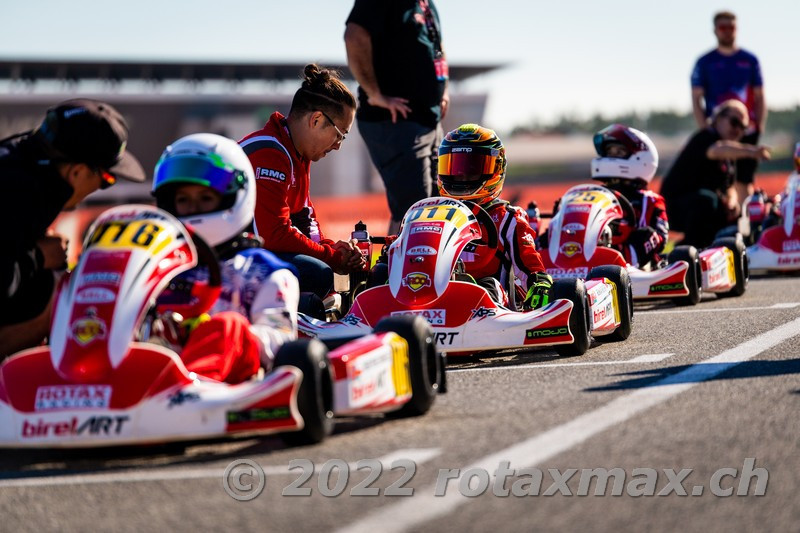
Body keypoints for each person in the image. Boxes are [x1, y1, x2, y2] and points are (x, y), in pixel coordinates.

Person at [0, 98, 146, 359]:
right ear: (77, 172)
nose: (102, 187)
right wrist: (39, 257)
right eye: (107, 179)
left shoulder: (19, 162)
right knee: (63, 293)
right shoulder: (21, 193)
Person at [152, 133, 300, 384]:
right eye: (183, 200)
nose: (193, 209)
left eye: (205, 199)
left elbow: (280, 339)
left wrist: (202, 330)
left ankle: (187, 389)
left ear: (234, 197)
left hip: (229, 377)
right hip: (154, 367)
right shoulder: (161, 266)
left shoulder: (264, 270)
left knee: (228, 325)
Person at [239, 64, 364, 301]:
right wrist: (331, 257)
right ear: (316, 120)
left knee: (325, 274)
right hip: (225, 262)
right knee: (318, 274)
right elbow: (273, 234)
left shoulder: (294, 153)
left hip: (249, 255)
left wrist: (336, 250)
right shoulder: (270, 152)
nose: (338, 144)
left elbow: (306, 224)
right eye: (340, 134)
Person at [345, 0, 450, 235]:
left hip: (428, 120)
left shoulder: (426, 4)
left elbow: (437, 46)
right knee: (414, 209)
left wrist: (443, 89)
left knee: (437, 205)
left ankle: (425, 269)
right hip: (396, 122)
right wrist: (374, 94)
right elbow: (354, 36)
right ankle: (397, 271)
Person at [436, 124, 552, 309]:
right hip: (436, 289)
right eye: (454, 168)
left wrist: (539, 280)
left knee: (486, 286)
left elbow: (527, 258)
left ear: (496, 168)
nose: (461, 177)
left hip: (489, 299)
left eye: (471, 168)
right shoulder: (434, 213)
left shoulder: (507, 218)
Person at [661, 99, 771, 248]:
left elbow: (730, 187)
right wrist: (752, 151)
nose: (738, 129)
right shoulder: (705, 137)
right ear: (719, 118)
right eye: (734, 122)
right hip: (675, 207)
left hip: (702, 208)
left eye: (743, 127)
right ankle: (690, 247)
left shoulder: (729, 157)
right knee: (707, 201)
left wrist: (732, 202)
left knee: (737, 216)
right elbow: (716, 150)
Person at [691, 10, 766, 202]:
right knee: (721, 180)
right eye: (722, 27)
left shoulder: (749, 60)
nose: (727, 32)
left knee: (744, 180)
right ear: (715, 30)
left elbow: (759, 95)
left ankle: (747, 223)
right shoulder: (705, 62)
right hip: (718, 132)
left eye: (731, 27)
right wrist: (704, 128)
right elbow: (696, 97)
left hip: (746, 129)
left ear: (736, 29)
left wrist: (759, 125)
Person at [590, 124, 669, 267]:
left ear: (641, 158)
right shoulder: (595, 195)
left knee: (648, 234)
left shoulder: (649, 200)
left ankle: (623, 262)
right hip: (594, 252)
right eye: (609, 152)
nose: (611, 157)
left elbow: (661, 237)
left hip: (637, 264)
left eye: (619, 152)